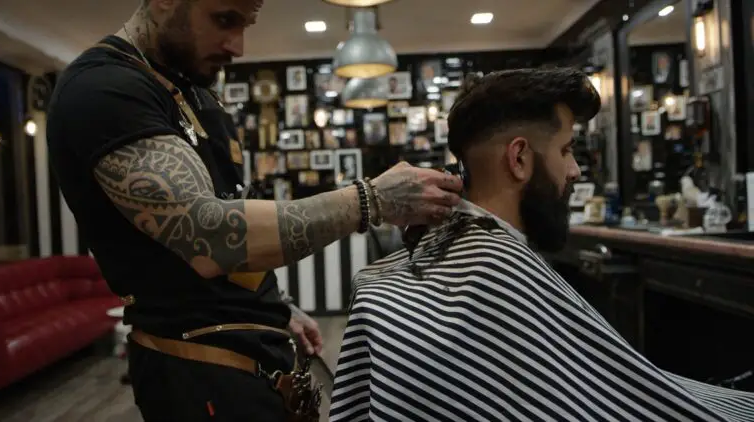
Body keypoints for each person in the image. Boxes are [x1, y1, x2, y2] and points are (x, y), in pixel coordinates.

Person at [45, 0, 463, 421]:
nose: (239, 46)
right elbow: (207, 237)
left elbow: (226, 209)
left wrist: (274, 304)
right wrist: (370, 198)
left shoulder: (194, 90)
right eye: (224, 19)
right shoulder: (103, 89)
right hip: (197, 363)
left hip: (252, 351)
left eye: (246, 24)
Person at [329, 68, 754, 421]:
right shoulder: (495, 273)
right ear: (519, 158)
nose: (575, 171)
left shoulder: (404, 274)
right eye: (567, 150)